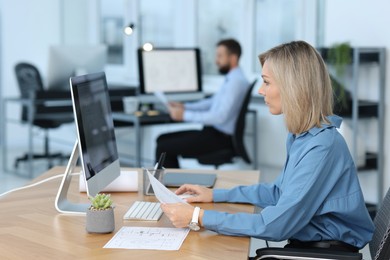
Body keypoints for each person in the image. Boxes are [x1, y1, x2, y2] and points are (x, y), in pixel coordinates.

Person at [161, 41, 375, 252]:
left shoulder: (322, 147)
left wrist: (197, 216)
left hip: (324, 254)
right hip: (310, 247)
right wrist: (215, 195)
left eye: (267, 82)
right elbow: (278, 192)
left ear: (293, 87)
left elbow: (274, 226)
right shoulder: (301, 137)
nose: (262, 91)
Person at [155, 39, 249, 168]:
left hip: (219, 139)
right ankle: (173, 184)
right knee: (162, 139)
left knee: (164, 147)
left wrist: (185, 115)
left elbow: (220, 116)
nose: (216, 61)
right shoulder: (232, 78)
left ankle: (170, 186)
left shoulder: (236, 81)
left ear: (233, 58)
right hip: (212, 133)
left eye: (220, 56)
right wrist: (185, 107)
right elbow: (211, 102)